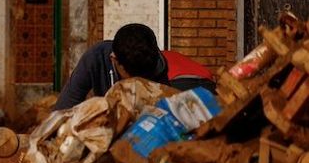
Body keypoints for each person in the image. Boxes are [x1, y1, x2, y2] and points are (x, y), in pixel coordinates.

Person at [53, 22, 215, 111]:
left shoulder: (165, 70)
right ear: (114, 60)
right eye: (132, 76)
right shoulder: (96, 58)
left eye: (143, 76)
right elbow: (63, 109)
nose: (137, 84)